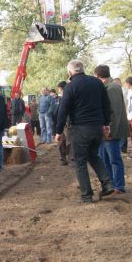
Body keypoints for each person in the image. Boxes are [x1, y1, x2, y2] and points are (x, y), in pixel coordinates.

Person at [54, 60, 115, 203]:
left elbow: (63, 110)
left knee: (79, 161)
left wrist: (58, 131)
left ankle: (86, 195)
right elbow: (106, 105)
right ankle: (108, 184)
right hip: (97, 127)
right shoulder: (97, 83)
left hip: (80, 128)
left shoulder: (70, 87)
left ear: (70, 72)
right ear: (83, 69)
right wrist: (105, 124)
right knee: (93, 156)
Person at [94, 65, 129, 193]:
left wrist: (110, 130)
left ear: (98, 75)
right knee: (105, 160)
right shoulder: (106, 87)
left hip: (111, 132)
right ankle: (110, 185)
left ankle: (119, 186)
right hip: (104, 131)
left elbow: (115, 112)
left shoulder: (112, 88)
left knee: (114, 160)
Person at [55, 81, 71, 165]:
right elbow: (59, 111)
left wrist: (67, 122)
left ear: (61, 88)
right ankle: (63, 158)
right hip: (62, 123)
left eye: (59, 89)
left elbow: (67, 111)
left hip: (67, 124)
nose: (59, 91)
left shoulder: (68, 96)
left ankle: (71, 159)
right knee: (62, 142)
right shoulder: (61, 98)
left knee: (69, 142)